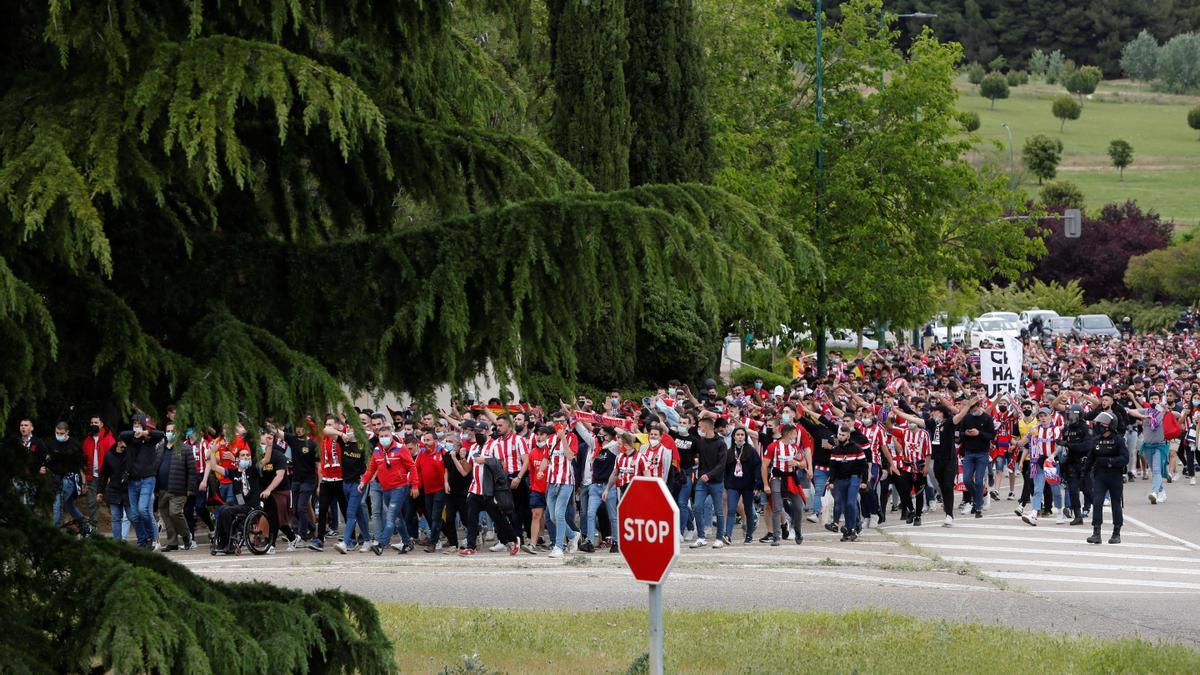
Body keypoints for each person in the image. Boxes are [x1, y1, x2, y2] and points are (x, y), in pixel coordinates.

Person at [358, 423, 419, 555]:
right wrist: (363, 481)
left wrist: (414, 485)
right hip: (385, 489)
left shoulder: (400, 448)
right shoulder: (377, 450)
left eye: (386, 435)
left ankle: (381, 544)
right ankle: (407, 542)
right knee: (397, 518)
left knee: (390, 518)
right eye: (381, 436)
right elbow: (371, 469)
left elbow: (412, 467)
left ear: (391, 436)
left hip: (399, 488)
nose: (384, 438)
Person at [209, 445, 263, 554]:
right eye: (243, 455)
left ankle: (231, 543)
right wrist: (212, 452)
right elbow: (214, 467)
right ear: (238, 459)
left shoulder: (253, 470)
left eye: (248, 455)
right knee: (222, 509)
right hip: (240, 503)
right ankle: (222, 542)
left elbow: (265, 460)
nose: (246, 457)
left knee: (227, 510)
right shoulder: (233, 472)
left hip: (251, 505)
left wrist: (270, 446)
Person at [1085, 411, 1129, 545]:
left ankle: (1116, 533)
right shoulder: (1096, 440)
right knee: (1097, 502)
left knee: (1116, 503)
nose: (1100, 425)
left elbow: (1125, 458)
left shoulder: (1119, 440)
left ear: (1111, 425)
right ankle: (1096, 532)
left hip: (1114, 476)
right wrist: (1083, 474)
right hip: (1100, 476)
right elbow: (1090, 459)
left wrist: (1109, 461)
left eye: (1103, 423)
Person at [121, 415, 164, 549]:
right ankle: (142, 540)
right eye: (134, 424)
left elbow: (160, 434)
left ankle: (154, 539)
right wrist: (136, 433)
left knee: (143, 510)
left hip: (148, 479)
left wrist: (145, 433)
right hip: (133, 481)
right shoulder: (130, 440)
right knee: (134, 515)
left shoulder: (150, 440)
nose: (136, 426)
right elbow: (122, 434)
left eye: (139, 424)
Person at [43, 421, 91, 535]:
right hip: (56, 478)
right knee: (69, 505)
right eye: (57, 432)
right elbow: (47, 460)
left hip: (70, 478)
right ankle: (84, 524)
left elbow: (81, 464)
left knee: (57, 503)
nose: (59, 435)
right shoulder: (51, 444)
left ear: (67, 432)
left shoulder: (74, 445)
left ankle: (55, 532)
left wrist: (84, 483)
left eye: (61, 433)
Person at [761, 423, 806, 546]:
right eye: (794, 433)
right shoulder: (773, 446)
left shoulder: (795, 447)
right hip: (777, 479)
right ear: (787, 433)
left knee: (798, 507)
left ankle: (797, 531)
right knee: (777, 508)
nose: (796, 435)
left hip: (792, 479)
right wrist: (765, 484)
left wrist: (796, 464)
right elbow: (764, 465)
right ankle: (776, 536)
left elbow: (803, 464)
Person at [309, 416, 349, 552]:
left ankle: (351, 538)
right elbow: (321, 429)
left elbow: (344, 429)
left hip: (340, 479)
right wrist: (320, 483)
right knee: (323, 510)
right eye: (326, 424)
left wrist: (340, 432)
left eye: (331, 424)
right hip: (326, 480)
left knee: (345, 509)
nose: (328, 427)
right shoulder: (323, 437)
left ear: (338, 425)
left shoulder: (341, 436)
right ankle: (319, 539)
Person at [1018, 408, 1063, 526]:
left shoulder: (1055, 429)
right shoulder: (1035, 429)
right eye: (1041, 416)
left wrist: (1052, 456)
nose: (1043, 418)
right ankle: (1034, 513)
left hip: (1052, 463)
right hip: (1039, 462)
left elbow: (1059, 446)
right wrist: (1028, 434)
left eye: (1045, 416)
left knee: (1056, 490)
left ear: (1050, 416)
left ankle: (1059, 512)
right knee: (1038, 489)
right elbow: (1021, 443)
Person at [159, 423, 199, 551]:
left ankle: (187, 537)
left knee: (175, 512)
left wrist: (190, 488)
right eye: (168, 430)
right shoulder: (160, 448)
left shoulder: (185, 449)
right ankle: (172, 542)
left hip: (178, 489)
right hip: (162, 489)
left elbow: (192, 471)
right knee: (166, 515)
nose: (170, 433)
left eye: (173, 431)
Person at [689, 416, 728, 549]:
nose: (699, 429)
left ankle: (719, 538)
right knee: (697, 507)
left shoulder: (721, 443)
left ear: (707, 427)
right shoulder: (701, 442)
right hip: (702, 482)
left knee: (718, 510)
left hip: (716, 482)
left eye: (700, 426)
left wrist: (709, 475)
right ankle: (701, 537)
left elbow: (722, 465)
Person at [954, 396, 995, 520]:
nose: (972, 411)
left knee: (978, 480)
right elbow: (959, 433)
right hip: (969, 453)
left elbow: (992, 435)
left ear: (979, 406)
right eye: (970, 409)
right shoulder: (967, 417)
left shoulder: (987, 418)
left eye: (973, 408)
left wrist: (979, 433)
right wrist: (965, 433)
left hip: (982, 453)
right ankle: (977, 499)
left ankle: (978, 506)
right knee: (966, 480)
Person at [829, 421, 869, 542]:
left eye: (843, 435)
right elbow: (833, 468)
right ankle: (850, 529)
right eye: (839, 435)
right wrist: (831, 481)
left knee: (851, 503)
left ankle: (852, 529)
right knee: (846, 505)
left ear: (848, 436)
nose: (840, 437)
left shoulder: (856, 449)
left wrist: (865, 481)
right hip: (841, 480)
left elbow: (864, 465)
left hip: (854, 478)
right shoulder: (835, 450)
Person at [723, 427, 760, 545]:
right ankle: (728, 535)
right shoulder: (729, 452)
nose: (740, 437)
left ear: (745, 437)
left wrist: (758, 484)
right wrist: (726, 484)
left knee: (748, 510)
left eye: (742, 435)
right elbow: (725, 470)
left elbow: (757, 467)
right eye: (737, 435)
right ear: (733, 437)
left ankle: (749, 535)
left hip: (748, 485)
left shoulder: (751, 451)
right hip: (733, 485)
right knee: (731, 509)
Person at [81, 415, 115, 533]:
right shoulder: (87, 440)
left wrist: (111, 476)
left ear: (101, 424)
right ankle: (93, 528)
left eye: (96, 422)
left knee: (111, 502)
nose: (93, 425)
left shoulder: (109, 439)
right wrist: (84, 479)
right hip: (92, 476)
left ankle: (118, 524)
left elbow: (114, 460)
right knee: (91, 503)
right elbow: (83, 460)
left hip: (106, 477)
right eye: (91, 423)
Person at [97, 439, 131, 540]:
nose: (123, 444)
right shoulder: (109, 455)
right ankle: (118, 542)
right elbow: (103, 475)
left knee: (132, 516)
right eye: (121, 442)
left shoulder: (129, 454)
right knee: (116, 517)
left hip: (127, 490)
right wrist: (100, 491)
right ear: (118, 442)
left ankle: (143, 539)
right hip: (114, 490)